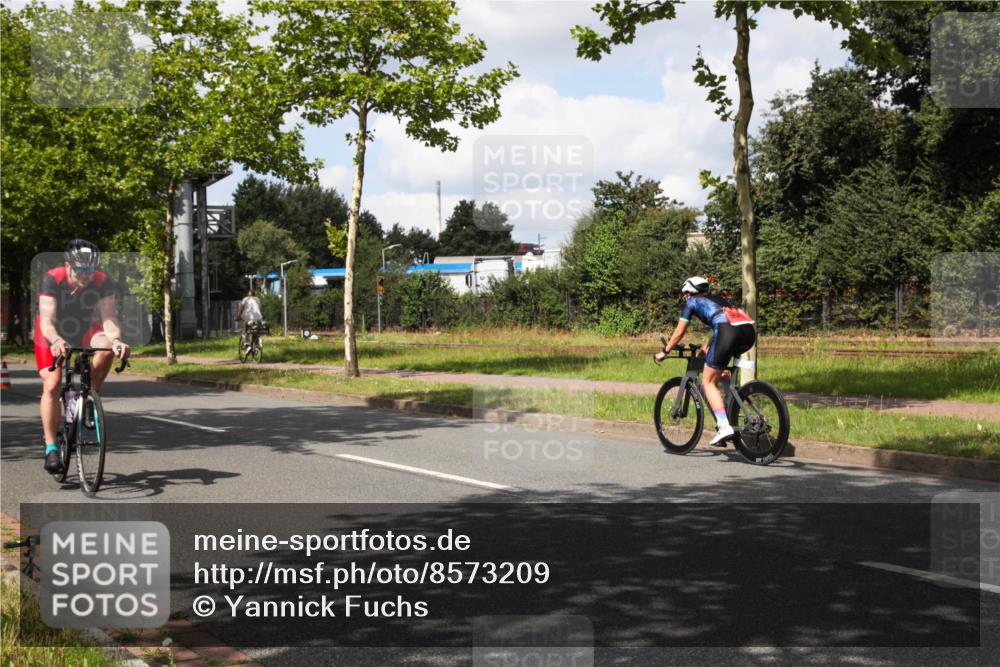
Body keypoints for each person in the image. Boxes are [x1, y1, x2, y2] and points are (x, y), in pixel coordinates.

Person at [36, 239, 130, 473]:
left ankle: (89, 397)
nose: (86, 274)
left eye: (90, 269)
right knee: (53, 384)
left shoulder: (101, 281)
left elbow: (108, 318)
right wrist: (57, 340)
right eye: (81, 269)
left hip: (85, 328)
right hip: (53, 331)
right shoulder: (52, 278)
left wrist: (117, 340)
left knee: (107, 345)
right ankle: (51, 448)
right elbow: (47, 321)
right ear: (68, 265)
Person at [654, 276, 756, 445]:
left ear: (690, 292)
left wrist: (665, 351)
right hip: (747, 332)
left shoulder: (692, 303)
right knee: (720, 370)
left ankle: (724, 426)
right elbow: (722, 324)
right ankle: (728, 410)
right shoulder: (719, 299)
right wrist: (705, 348)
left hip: (727, 333)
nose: (685, 297)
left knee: (707, 382)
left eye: (685, 293)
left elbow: (679, 333)